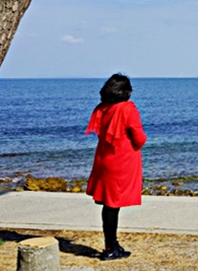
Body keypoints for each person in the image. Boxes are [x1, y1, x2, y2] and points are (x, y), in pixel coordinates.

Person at [85, 73, 147, 261]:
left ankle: (112, 244)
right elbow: (140, 139)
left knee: (109, 205)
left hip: (104, 160)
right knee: (113, 205)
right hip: (121, 162)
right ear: (125, 91)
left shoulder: (102, 108)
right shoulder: (128, 109)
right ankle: (110, 248)